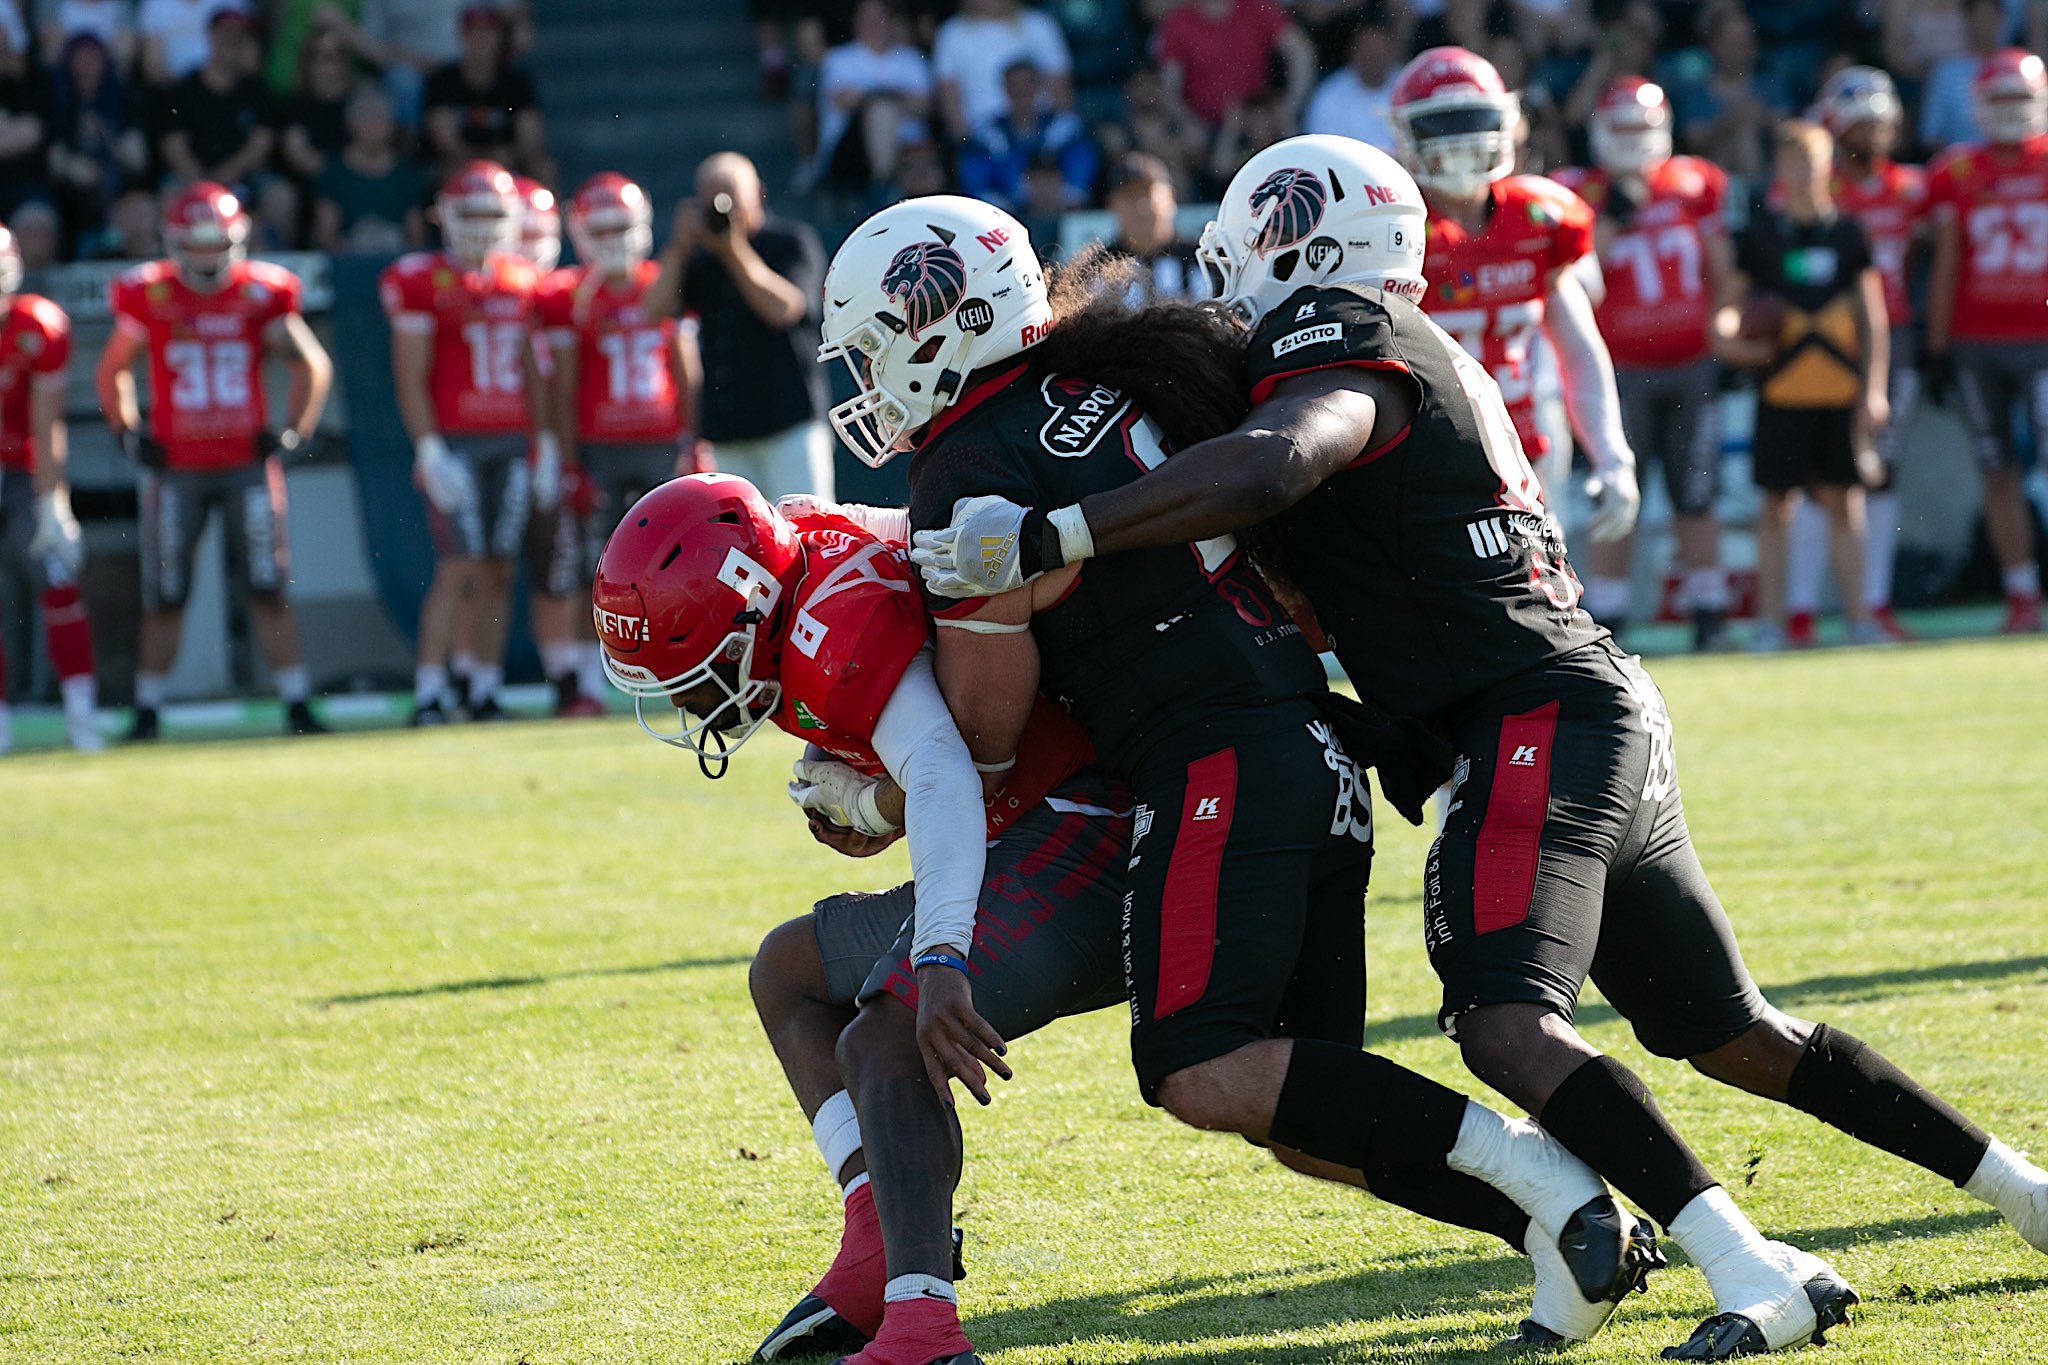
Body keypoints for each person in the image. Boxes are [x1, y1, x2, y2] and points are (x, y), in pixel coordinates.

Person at [913, 133, 2048, 1359]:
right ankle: (2024, 1196)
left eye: (1244, 253)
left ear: (1298, 244)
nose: (1229, 283)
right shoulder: (1419, 337)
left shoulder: (1341, 331)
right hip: (1580, 701)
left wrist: (1056, 532)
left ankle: (1751, 1265)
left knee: (1504, 1023)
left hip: (1534, 718)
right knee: (1730, 1030)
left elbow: (1280, 458)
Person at [829, 193, 1662, 1363]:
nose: (869, 376)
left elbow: (988, 729)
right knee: (1302, 1106)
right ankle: (1562, 1219)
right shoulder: (1120, 379)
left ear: (935, 326)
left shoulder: (967, 463)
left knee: (1194, 1067)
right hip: (1313, 753)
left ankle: (1557, 1189)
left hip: (1216, 763)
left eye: (874, 343)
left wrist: (865, 775)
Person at [96, 182, 332, 740]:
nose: (206, 256)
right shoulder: (149, 294)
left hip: (246, 465)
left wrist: (294, 431)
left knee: (268, 587)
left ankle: (297, 702)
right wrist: (128, 430)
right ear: (175, 242)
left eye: (215, 243)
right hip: (177, 468)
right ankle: (148, 710)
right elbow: (112, 370)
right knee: (167, 593)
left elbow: (311, 364)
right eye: (195, 244)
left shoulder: (259, 293)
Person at [1389, 45, 1639, 540]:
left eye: (1473, 120)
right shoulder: (1396, 229)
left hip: (1526, 449)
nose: (1460, 141)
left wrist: (1612, 453)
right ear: (1404, 133)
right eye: (1441, 124)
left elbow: (1580, 350)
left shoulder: (1540, 218)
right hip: (1426, 459)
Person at [1553, 78, 1738, 649]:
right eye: (1622, 129)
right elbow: (1580, 280)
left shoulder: (1694, 182)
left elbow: (1722, 269)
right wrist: (1611, 219)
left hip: (1690, 362)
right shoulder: (1575, 191)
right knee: (1615, 488)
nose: (1633, 142)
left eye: (1642, 129)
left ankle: (1709, 605)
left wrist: (1723, 327)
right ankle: (1609, 613)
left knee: (1697, 490)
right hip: (1617, 369)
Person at [378, 159, 548, 724]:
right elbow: (411, 374)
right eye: (469, 212)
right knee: (457, 568)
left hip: (513, 440)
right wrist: (428, 447)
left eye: (492, 213)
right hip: (457, 442)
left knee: (499, 567)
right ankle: (430, 689)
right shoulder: (422, 280)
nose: (480, 225)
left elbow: (534, 371)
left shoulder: (526, 281)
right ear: (442, 216)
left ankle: (483, 685)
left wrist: (543, 443)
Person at [1724, 120, 1889, 652]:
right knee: (1776, 506)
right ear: (1778, 171)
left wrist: (1875, 388)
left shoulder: (1848, 234)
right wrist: (1736, 344)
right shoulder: (1761, 235)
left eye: (1810, 164)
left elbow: (1874, 320)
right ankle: (1771, 624)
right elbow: (1728, 313)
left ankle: (1860, 619)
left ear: (1827, 170)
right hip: (1782, 391)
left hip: (1839, 389)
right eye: (1791, 164)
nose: (1800, 175)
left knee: (1846, 502)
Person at [1785, 65, 1924, 646]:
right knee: (1816, 479)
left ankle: (1872, 602)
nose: (1874, 133)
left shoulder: (1914, 188)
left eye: (1880, 121)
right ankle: (1802, 609)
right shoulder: (1818, 192)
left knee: (1875, 474)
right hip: (1821, 346)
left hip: (1889, 341)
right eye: (1861, 124)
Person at [1924, 46, 2048, 633]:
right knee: (1996, 469)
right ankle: (2021, 591)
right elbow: (1947, 262)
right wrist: (1940, 344)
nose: (2009, 110)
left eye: (2018, 97)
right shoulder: (1958, 170)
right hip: (1978, 341)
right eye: (1999, 98)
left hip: (2041, 338)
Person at [646, 152, 831, 501]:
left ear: (758, 193)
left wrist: (734, 251)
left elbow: (783, 310)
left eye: (730, 198)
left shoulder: (792, 241)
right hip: (727, 432)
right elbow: (655, 309)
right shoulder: (700, 259)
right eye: (710, 200)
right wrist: (679, 247)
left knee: (810, 533)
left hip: (789, 425)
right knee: (741, 544)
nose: (721, 210)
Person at [0, 223, 98, 754]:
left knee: (58, 582)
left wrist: (52, 501)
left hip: (22, 471)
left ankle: (81, 714)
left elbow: (46, 425)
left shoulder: (36, 325)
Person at [814, 0, 931, 198]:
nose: (874, 24)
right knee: (880, 111)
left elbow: (925, 106)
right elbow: (844, 100)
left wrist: (871, 93)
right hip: (852, 154)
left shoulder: (911, 58)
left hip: (910, 151)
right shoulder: (839, 59)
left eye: (880, 18)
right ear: (855, 22)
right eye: (867, 19)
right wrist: (893, 95)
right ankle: (883, 184)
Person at [421, 4, 550, 182]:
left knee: (543, 168)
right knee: (443, 170)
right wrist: (483, 160)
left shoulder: (517, 83)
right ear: (462, 37)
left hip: (509, 163)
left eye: (488, 33)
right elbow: (444, 139)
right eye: (474, 33)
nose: (481, 40)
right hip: (459, 165)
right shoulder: (443, 81)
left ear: (499, 39)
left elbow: (530, 136)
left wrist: (509, 156)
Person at [155, 8, 273, 200]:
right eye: (226, 33)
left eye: (238, 36)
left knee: (278, 194)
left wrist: (230, 172)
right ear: (211, 35)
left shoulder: (256, 91)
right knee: (168, 193)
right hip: (190, 177)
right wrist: (202, 181)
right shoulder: (184, 89)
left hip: (243, 178)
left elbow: (261, 142)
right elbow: (172, 145)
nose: (232, 41)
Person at [1152, 0, 1316, 133]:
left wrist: (1290, 105)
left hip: (1258, 124)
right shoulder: (1177, 21)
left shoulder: (1255, 7)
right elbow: (1169, 89)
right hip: (1205, 131)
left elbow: (1300, 51)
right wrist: (1190, 124)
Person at [956, 60, 1096, 213]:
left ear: (1039, 86)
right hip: (1006, 217)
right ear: (1004, 88)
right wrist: (1012, 201)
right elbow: (976, 181)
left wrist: (1059, 196)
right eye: (1013, 84)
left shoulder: (1065, 127)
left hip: (1061, 212)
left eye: (1028, 83)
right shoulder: (986, 133)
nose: (1021, 91)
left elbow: (1081, 172)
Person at [929, 0, 1070, 143]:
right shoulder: (952, 34)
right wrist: (967, 143)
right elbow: (949, 97)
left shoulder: (1040, 25)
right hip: (981, 139)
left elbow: (1060, 90)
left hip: (1040, 135)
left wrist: (1056, 139)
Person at [311, 84, 425, 253]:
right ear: (350, 123)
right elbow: (326, 235)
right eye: (366, 117)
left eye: (379, 117)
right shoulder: (333, 173)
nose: (373, 125)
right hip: (348, 265)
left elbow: (416, 237)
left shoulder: (405, 175)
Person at [1101, 152, 1206, 303]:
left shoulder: (1205, 261)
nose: (1141, 207)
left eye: (1147, 192)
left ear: (1171, 197)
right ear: (1112, 205)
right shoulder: (1096, 271)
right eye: (1130, 196)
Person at [1302, 6, 1402, 152]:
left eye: (1379, 50)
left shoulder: (1409, 85)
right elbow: (1320, 150)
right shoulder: (1329, 95)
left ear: (1393, 51)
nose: (1373, 58)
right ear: (1352, 51)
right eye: (1367, 50)